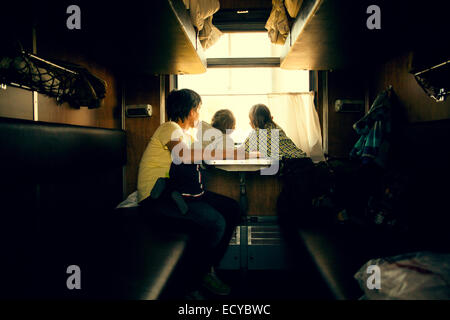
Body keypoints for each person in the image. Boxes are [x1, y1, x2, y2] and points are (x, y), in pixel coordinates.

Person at [137, 89, 244, 298]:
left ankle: (206, 269)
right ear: (190, 109)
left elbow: (200, 155)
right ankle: (194, 281)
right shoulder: (170, 128)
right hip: (157, 198)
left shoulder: (186, 135)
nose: (199, 114)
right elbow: (185, 155)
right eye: (198, 109)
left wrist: (240, 151)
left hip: (178, 192)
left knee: (232, 209)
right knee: (216, 222)